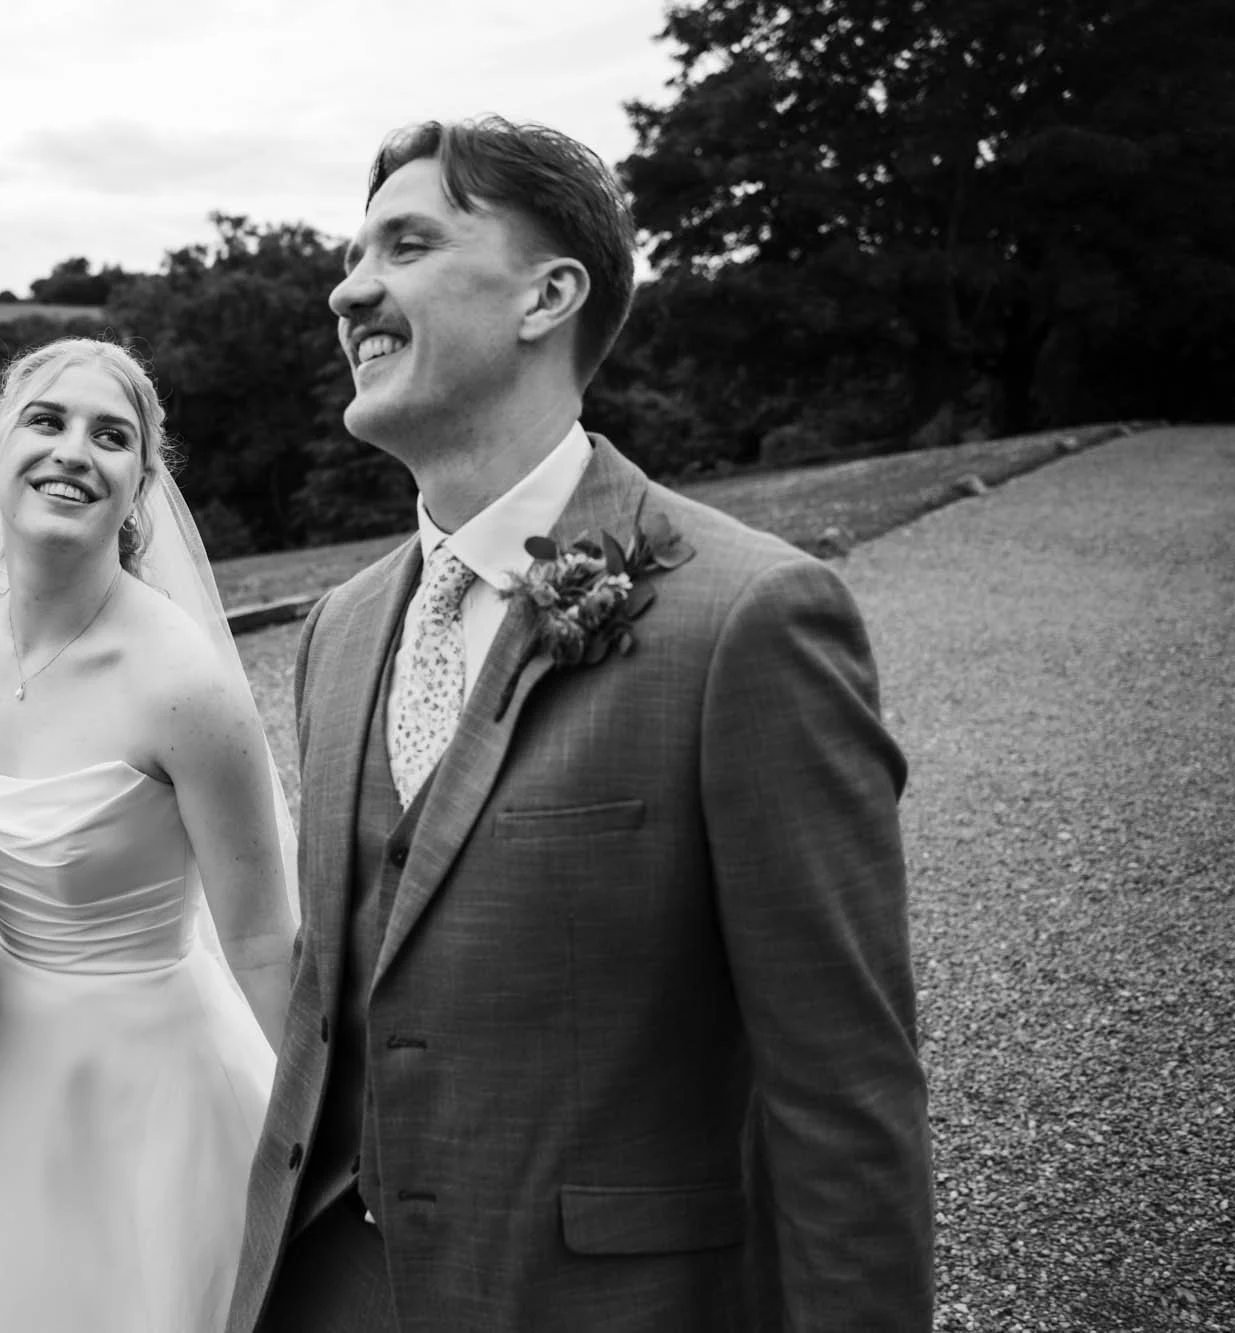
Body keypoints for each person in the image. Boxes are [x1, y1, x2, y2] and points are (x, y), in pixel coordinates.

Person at [227, 117, 935, 1331]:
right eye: (353, 256)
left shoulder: (748, 617)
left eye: (407, 245)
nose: (348, 291)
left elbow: (842, 1090)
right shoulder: (336, 633)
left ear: (547, 296)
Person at [0, 337, 298, 1332]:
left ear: (139, 485)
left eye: (111, 436)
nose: (73, 451)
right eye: (46, 421)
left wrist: (333, 1136)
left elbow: (263, 938)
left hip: (150, 1085)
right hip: (4, 1061)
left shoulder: (184, 687)